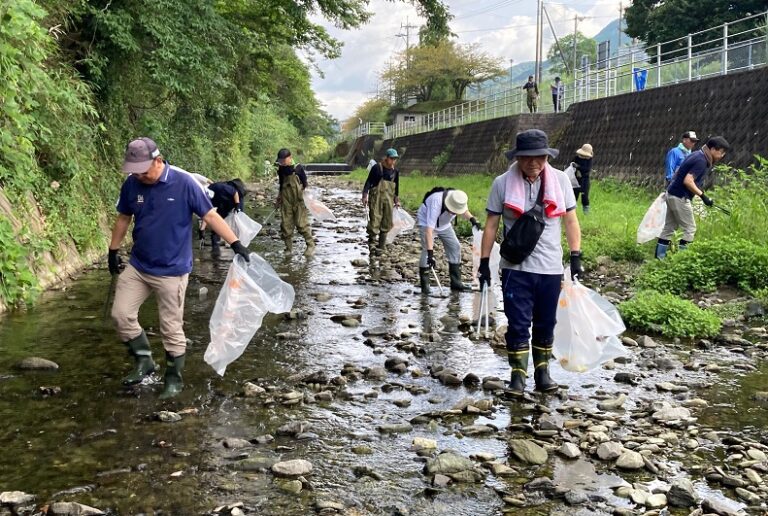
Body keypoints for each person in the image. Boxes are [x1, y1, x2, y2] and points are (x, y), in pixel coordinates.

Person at [108, 137, 250, 399]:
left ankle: (173, 378)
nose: (139, 177)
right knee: (120, 315)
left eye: (143, 171)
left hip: (172, 270)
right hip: (139, 265)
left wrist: (236, 243)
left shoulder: (184, 183)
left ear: (158, 161)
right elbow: (124, 217)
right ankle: (144, 361)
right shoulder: (132, 184)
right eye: (134, 172)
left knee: (170, 328)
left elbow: (209, 215)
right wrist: (113, 250)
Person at [477, 129, 582, 398]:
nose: (533, 162)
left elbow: (570, 220)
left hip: (550, 268)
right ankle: (517, 376)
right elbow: (491, 225)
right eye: (527, 157)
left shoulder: (560, 180)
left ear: (547, 156)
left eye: (539, 157)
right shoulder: (501, 183)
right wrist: (484, 261)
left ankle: (543, 373)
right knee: (518, 322)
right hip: (515, 268)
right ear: (518, 157)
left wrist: (576, 255)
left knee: (546, 323)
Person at [655, 136, 731, 259]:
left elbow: (678, 172)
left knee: (669, 227)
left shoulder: (696, 154)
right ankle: (683, 261)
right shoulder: (701, 160)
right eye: (721, 152)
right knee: (690, 229)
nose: (722, 155)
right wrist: (703, 196)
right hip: (680, 196)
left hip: (672, 193)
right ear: (712, 149)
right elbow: (688, 181)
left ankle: (659, 260)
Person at [416, 188, 481, 294]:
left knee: (455, 247)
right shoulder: (436, 202)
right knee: (425, 252)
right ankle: (425, 286)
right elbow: (429, 231)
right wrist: (430, 254)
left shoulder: (459, 199)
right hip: (426, 223)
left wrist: (472, 219)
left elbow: (464, 211)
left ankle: (456, 283)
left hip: (444, 224)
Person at [275, 148, 315, 256]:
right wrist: (279, 197)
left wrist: (308, 199)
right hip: (286, 199)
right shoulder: (281, 169)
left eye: (284, 160)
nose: (282, 163)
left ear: (290, 157)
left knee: (301, 224)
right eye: (280, 161)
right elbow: (281, 183)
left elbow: (305, 184)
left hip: (298, 200)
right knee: (286, 225)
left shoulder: (298, 168)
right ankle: (288, 249)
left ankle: (310, 245)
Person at [362, 148, 400, 252]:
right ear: (386, 158)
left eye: (395, 159)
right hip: (376, 198)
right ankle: (372, 244)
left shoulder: (395, 171)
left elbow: (396, 187)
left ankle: (381, 246)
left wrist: (397, 200)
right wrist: (365, 195)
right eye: (392, 158)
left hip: (388, 199)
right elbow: (368, 182)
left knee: (387, 221)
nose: (393, 161)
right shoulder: (377, 168)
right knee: (375, 219)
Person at [203, 179, 247, 256]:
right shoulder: (206, 198)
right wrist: (202, 229)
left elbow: (235, 193)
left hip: (235, 198)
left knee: (239, 216)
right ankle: (215, 244)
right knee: (218, 219)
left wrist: (237, 206)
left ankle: (239, 243)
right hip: (223, 201)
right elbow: (207, 214)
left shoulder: (220, 187)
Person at [572, 143, 593, 214]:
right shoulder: (576, 158)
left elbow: (587, 169)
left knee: (584, 196)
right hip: (576, 179)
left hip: (585, 180)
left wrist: (578, 167)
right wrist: (574, 166)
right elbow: (572, 165)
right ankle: (572, 211)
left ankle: (586, 212)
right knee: (574, 195)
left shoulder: (589, 160)